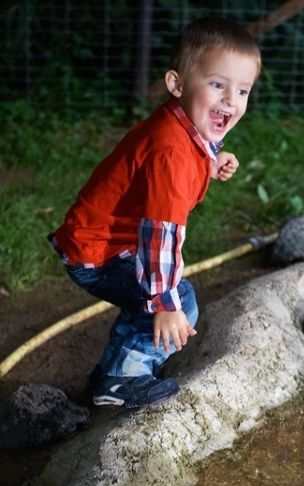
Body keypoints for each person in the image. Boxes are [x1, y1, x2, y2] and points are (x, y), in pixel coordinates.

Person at [49, 17, 261, 410]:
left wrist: (210, 163)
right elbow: (161, 234)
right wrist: (163, 305)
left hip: (99, 241)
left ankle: (115, 370)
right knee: (178, 298)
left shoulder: (178, 130)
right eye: (218, 84)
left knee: (163, 297)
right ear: (177, 84)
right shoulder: (172, 155)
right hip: (99, 253)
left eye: (243, 90)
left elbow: (180, 154)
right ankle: (120, 380)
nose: (232, 99)